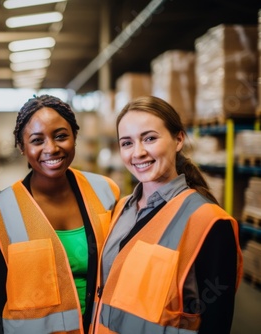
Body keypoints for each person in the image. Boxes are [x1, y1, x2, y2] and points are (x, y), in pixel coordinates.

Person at [92, 96, 243, 334]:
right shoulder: (121, 209)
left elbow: (216, 321)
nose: (138, 153)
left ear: (178, 139)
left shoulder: (209, 222)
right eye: (127, 143)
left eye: (150, 138)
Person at [0, 94, 120, 334]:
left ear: (75, 137)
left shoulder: (107, 192)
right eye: (37, 140)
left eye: (61, 136)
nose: (51, 148)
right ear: (22, 148)